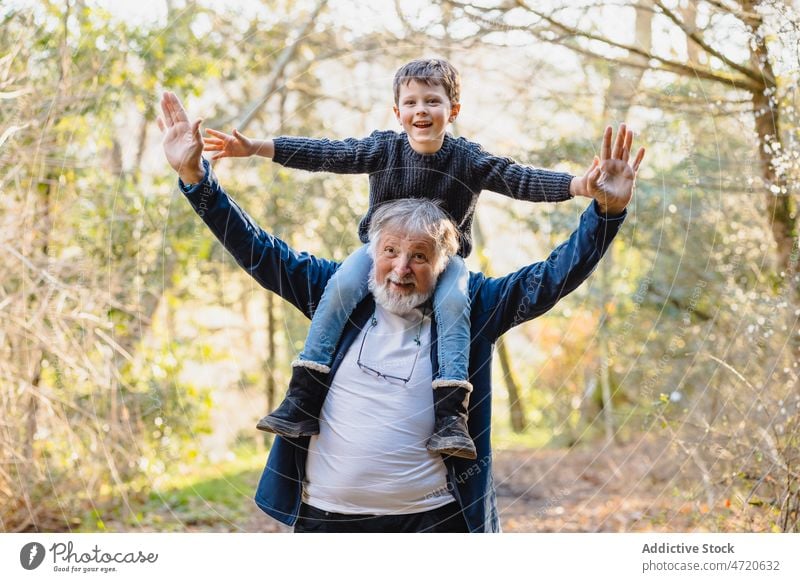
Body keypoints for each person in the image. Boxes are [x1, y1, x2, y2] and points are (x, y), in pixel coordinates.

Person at [158, 90, 644, 532]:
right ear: (372, 250)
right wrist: (195, 178)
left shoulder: (476, 306)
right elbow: (257, 249)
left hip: (435, 525)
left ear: (445, 261)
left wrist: (604, 213)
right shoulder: (334, 291)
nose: (401, 269)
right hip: (328, 522)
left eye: (420, 256)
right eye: (390, 251)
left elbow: (552, 277)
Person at [202, 58, 608, 460]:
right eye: (411, 103)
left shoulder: (468, 160)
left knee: (453, 303)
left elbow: (518, 178)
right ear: (397, 111)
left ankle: (450, 415)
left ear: (454, 111)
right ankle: (303, 397)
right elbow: (326, 153)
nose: (421, 111)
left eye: (432, 101)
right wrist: (257, 148)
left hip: (442, 263)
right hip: (380, 252)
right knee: (341, 285)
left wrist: (577, 185)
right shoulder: (383, 149)